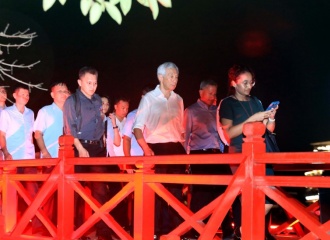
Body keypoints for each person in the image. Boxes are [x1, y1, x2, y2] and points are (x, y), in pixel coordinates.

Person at [219, 64, 278, 240]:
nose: (248, 86)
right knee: (248, 197)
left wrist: (271, 117)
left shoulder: (256, 101)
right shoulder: (227, 103)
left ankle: (244, 230)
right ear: (233, 82)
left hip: (260, 153)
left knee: (271, 194)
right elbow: (228, 134)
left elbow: (268, 130)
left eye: (251, 82)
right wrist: (252, 119)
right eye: (244, 82)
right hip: (239, 153)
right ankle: (249, 233)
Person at [133, 62, 186, 238]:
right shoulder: (148, 98)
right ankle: (154, 232)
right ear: (160, 77)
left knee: (177, 193)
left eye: (176, 76)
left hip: (176, 148)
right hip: (156, 147)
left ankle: (176, 232)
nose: (174, 80)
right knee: (157, 192)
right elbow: (137, 127)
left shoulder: (178, 99)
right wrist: (146, 148)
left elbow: (181, 128)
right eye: (171, 76)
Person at [63, 66, 114, 240]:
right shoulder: (72, 101)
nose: (92, 86)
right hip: (80, 147)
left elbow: (100, 123)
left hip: (97, 148)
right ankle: (75, 232)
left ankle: (103, 231)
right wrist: (80, 147)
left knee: (101, 191)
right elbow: (70, 127)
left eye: (95, 83)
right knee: (76, 191)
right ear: (80, 82)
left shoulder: (98, 100)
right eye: (89, 82)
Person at [183, 79, 233, 239]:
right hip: (200, 155)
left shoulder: (217, 110)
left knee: (224, 193)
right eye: (210, 93)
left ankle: (227, 230)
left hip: (218, 154)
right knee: (200, 195)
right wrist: (185, 160)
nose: (213, 96)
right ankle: (196, 230)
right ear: (201, 92)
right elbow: (184, 137)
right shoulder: (191, 111)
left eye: (215, 93)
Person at [0, 84, 42, 234]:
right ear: (15, 95)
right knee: (12, 194)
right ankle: (10, 228)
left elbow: (34, 134)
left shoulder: (31, 113)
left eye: (27, 95)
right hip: (13, 159)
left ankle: (37, 226)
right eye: (22, 94)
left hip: (28, 158)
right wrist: (5, 152)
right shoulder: (7, 113)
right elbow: (2, 134)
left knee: (34, 193)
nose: (25, 97)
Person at [33, 82, 70, 224]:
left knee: (65, 194)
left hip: (67, 160)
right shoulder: (45, 111)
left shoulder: (70, 112)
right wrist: (45, 153)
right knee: (47, 195)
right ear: (52, 94)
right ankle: (41, 225)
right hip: (51, 159)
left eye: (66, 91)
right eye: (60, 91)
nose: (64, 94)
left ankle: (61, 225)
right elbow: (37, 134)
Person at [0, 85, 8, 160]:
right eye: (0, 91)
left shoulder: (11, 111)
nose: (3, 93)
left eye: (4, 91)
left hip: (9, 149)